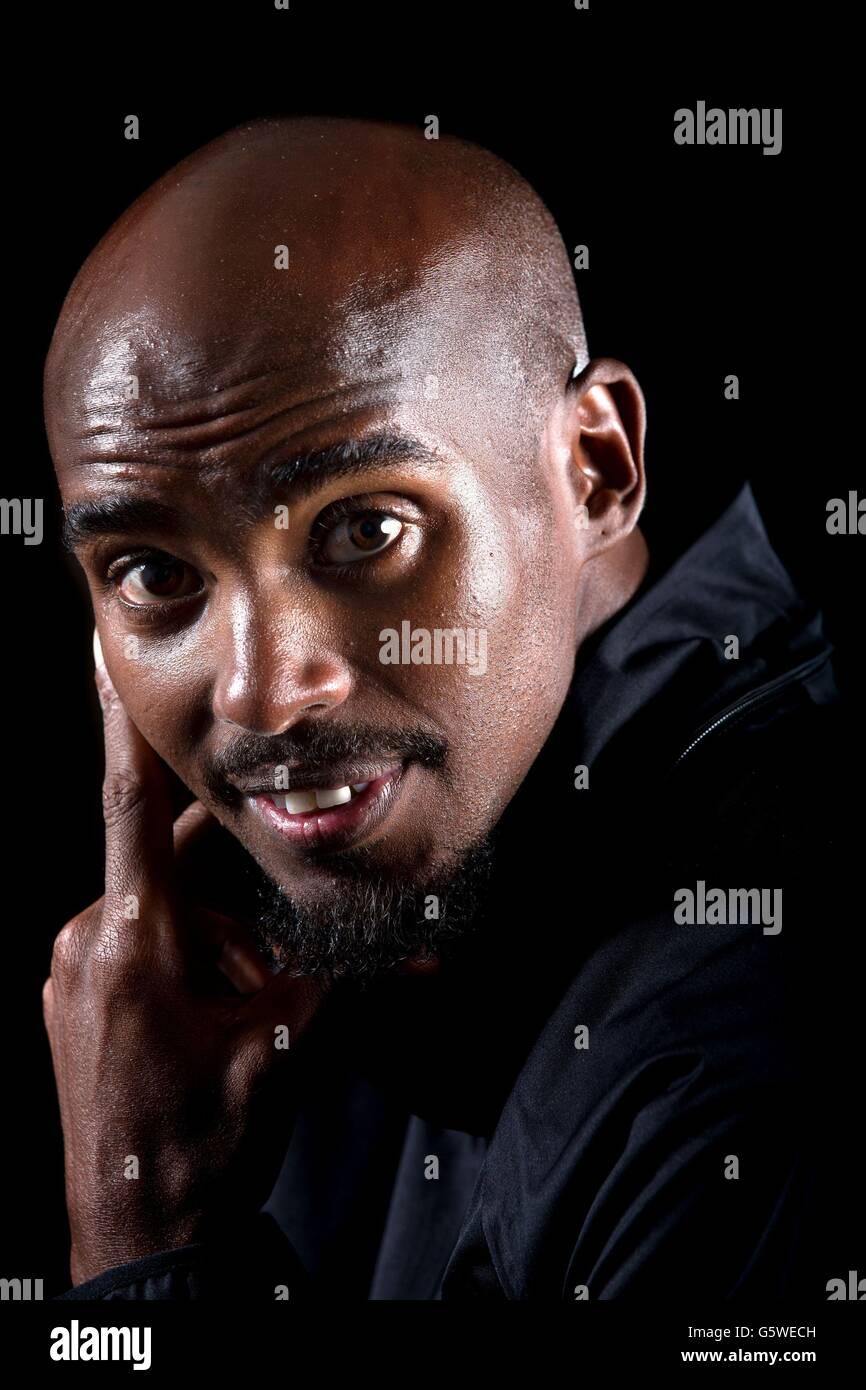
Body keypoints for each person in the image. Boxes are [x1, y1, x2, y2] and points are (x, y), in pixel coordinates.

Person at [42, 117, 861, 1300]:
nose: (264, 692)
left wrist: (141, 1245)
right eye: (156, 574)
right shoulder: (312, 951)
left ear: (595, 469)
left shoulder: (730, 1049)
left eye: (365, 529)